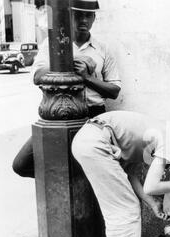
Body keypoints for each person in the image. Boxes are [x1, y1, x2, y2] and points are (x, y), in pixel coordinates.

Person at [12, 0, 121, 178]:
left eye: (88, 15)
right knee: (21, 164)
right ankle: (62, 183)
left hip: (93, 115)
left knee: (92, 167)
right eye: (78, 15)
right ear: (68, 16)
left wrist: (87, 78)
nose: (83, 20)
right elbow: (37, 76)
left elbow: (114, 90)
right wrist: (69, 63)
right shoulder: (52, 44)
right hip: (57, 114)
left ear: (94, 18)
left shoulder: (103, 49)